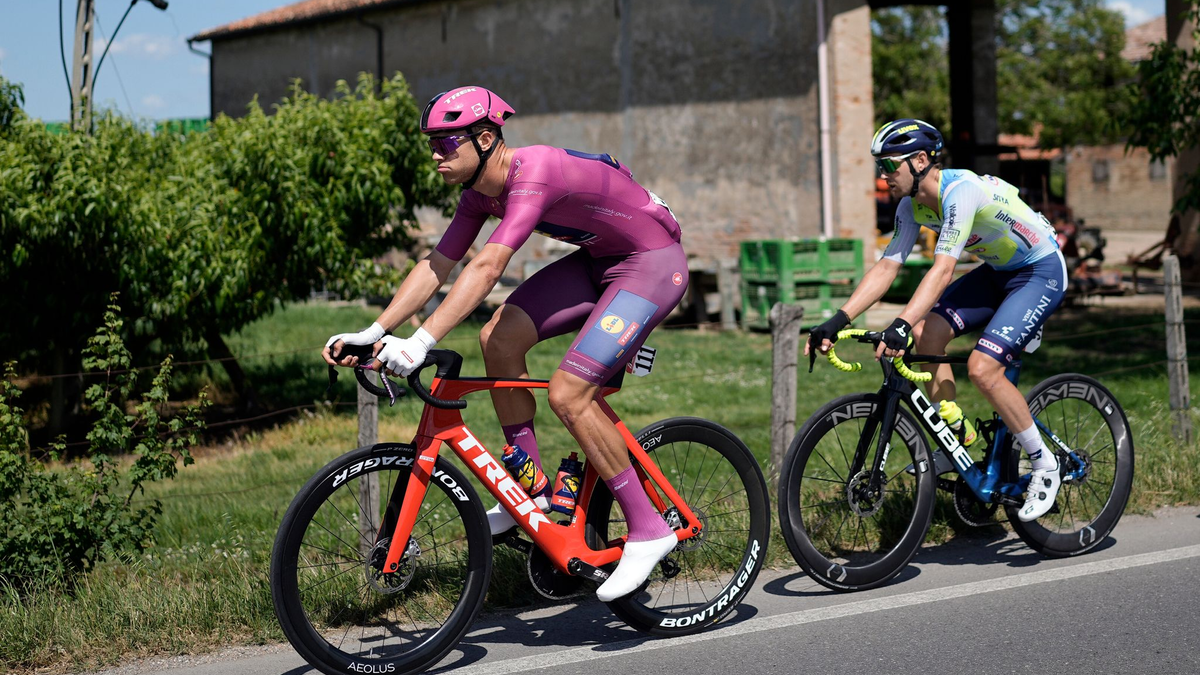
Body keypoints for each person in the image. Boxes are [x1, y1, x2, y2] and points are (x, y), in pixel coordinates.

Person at [322, 86, 688, 601]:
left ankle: (649, 530)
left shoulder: (533, 173)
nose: (435, 155)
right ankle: (531, 491)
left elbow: (489, 266)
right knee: (498, 338)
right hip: (598, 263)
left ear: (485, 137)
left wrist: (421, 341)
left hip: (650, 264)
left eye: (445, 143)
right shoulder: (478, 195)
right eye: (431, 144)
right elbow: (437, 265)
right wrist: (376, 331)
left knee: (569, 394)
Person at [805, 118, 1068, 522]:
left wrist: (899, 323)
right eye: (879, 166)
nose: (883, 175)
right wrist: (837, 319)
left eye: (889, 165)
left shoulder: (961, 192)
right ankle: (955, 437)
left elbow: (943, 270)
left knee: (982, 369)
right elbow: (887, 267)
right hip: (998, 272)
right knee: (926, 335)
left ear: (920, 161)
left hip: (1040, 271)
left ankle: (1044, 463)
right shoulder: (910, 206)